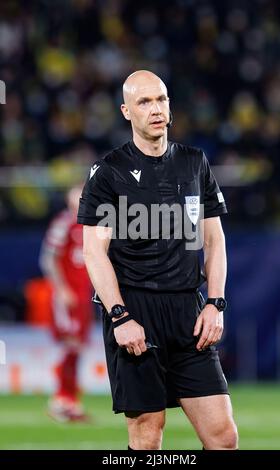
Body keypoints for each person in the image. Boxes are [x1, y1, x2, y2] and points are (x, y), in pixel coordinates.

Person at [77, 70, 238, 449]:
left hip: (189, 314)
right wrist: (120, 316)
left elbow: (214, 240)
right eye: (144, 102)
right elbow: (93, 252)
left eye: (161, 99)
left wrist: (215, 303)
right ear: (126, 111)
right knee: (148, 437)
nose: (155, 109)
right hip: (136, 311)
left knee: (224, 437)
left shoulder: (195, 162)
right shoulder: (108, 172)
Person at [40, 185, 93, 422]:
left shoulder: (92, 223)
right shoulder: (64, 222)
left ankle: (69, 400)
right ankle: (61, 399)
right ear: (68, 198)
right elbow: (48, 258)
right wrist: (61, 289)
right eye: (77, 194)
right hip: (68, 295)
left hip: (84, 294)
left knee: (78, 346)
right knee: (70, 344)